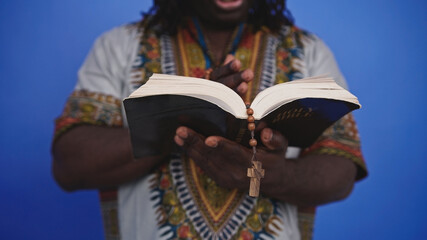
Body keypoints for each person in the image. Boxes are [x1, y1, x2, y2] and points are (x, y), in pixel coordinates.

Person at [52, 0, 367, 239]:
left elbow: (341, 170)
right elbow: (69, 165)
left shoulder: (308, 50)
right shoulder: (120, 46)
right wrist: (185, 117)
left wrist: (266, 175)